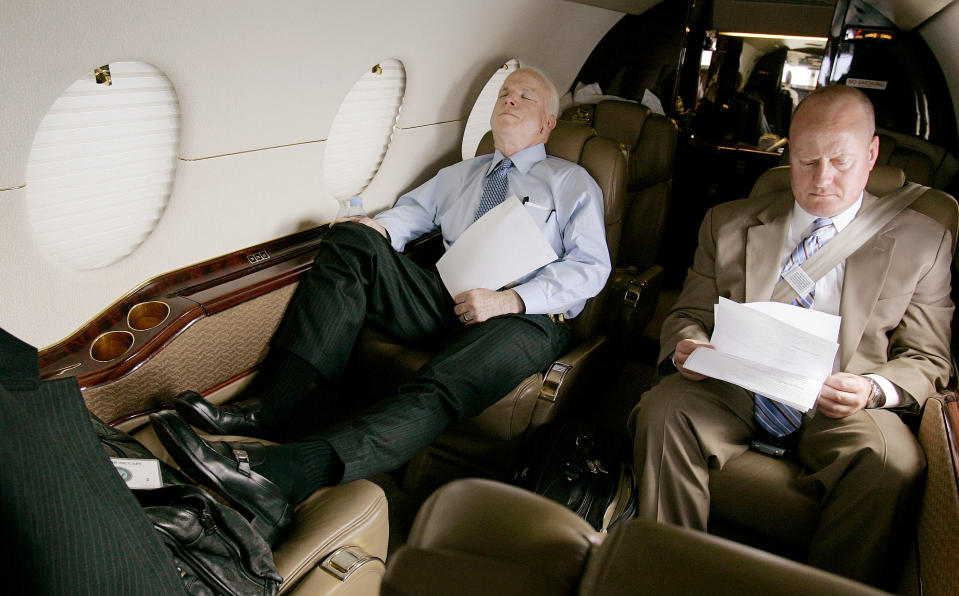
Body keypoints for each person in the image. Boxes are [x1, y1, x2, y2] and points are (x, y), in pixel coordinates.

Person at [151, 67, 611, 543]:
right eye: (505, 93)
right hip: (446, 294)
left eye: (526, 97)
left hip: (524, 315)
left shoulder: (571, 183)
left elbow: (591, 269)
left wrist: (510, 299)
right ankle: (271, 406)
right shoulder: (462, 173)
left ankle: (290, 471)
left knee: (440, 383)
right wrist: (379, 228)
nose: (510, 100)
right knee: (351, 239)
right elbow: (411, 213)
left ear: (547, 124)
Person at [629, 84, 953, 590]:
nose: (822, 180)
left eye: (841, 162)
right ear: (788, 154)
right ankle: (671, 573)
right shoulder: (727, 223)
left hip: (845, 398)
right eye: (806, 162)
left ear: (871, 155)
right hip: (739, 386)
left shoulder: (924, 241)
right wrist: (686, 347)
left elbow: (928, 358)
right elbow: (686, 314)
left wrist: (873, 390)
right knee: (662, 408)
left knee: (891, 464)